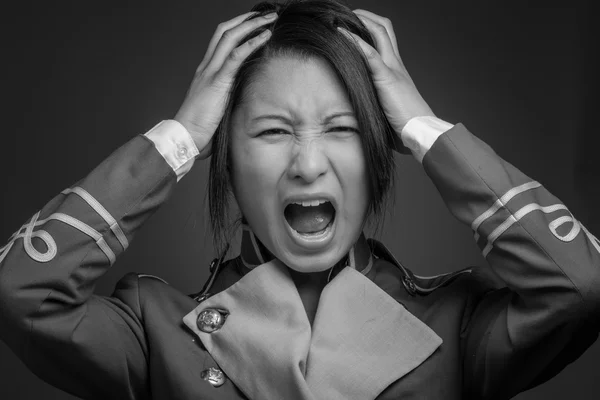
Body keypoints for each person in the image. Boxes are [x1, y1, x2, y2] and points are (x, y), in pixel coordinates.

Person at [0, 0, 598, 399]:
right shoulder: (156, 329)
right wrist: (177, 139)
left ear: (379, 149)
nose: (308, 165)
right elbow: (21, 292)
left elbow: (580, 286)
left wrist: (424, 126)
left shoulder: (457, 324)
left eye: (342, 130)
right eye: (272, 131)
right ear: (223, 156)